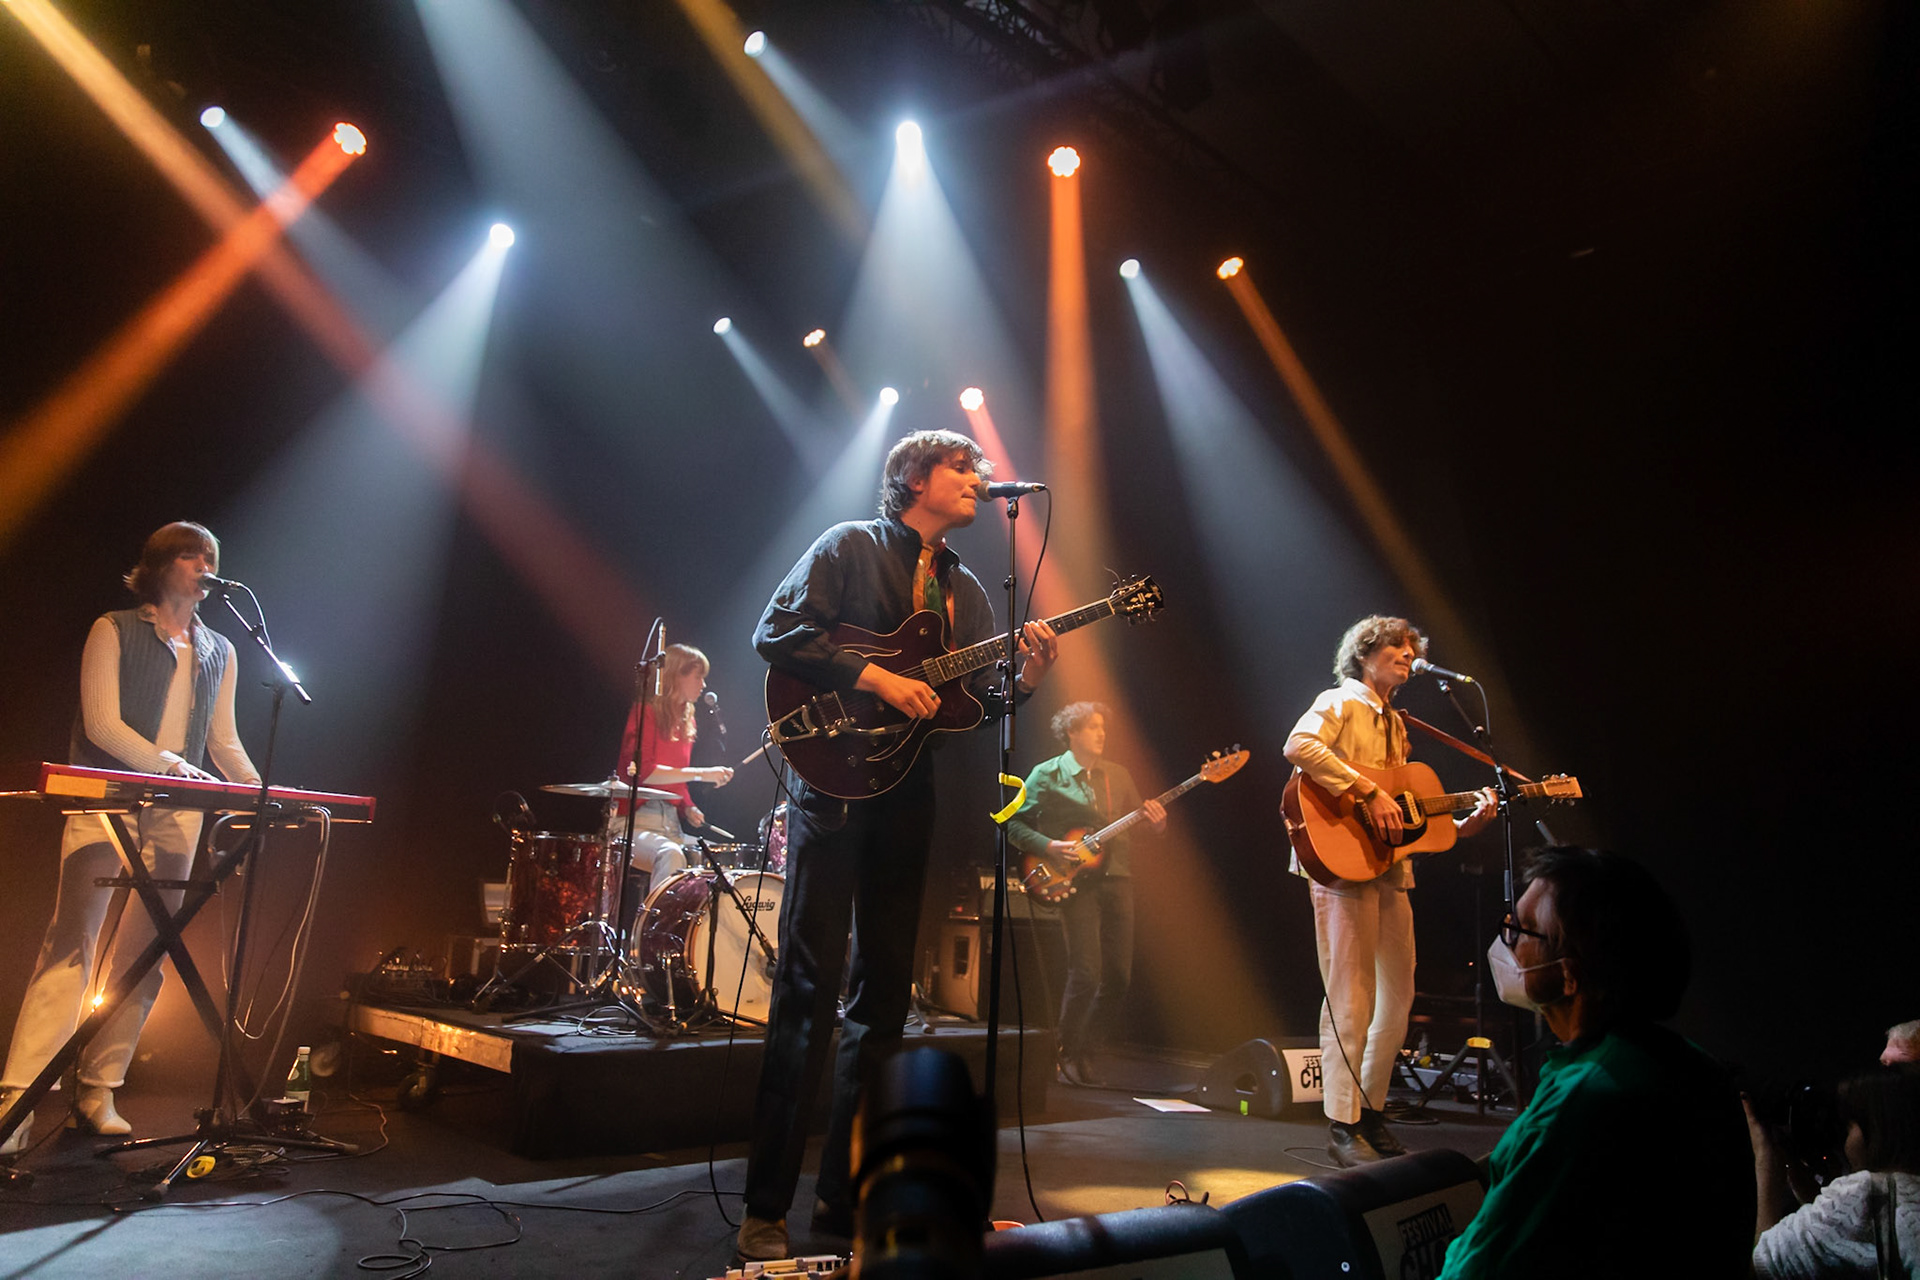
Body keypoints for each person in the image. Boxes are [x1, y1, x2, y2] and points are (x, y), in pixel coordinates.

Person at [736, 429, 1059, 1261]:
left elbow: (967, 708)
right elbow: (776, 633)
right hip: (831, 790)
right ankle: (766, 1205)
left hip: (907, 798)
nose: (981, 479)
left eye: (981, 468)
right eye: (964, 467)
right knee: (806, 991)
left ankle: (841, 1209)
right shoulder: (847, 546)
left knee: (883, 1007)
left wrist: (1021, 682)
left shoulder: (969, 592)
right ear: (915, 477)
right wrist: (874, 676)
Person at [2, 522, 260, 1156]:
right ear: (159, 564)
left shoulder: (221, 650)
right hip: (105, 799)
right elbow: (102, 724)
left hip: (181, 810)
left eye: (210, 557)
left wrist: (260, 791)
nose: (203, 564)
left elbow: (222, 741)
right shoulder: (112, 629)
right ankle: (19, 1098)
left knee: (150, 949)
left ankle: (98, 1090)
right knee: (73, 943)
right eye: (189, 553)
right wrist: (170, 764)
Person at [1435, 847, 1754, 1278]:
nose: (1508, 944)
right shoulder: (1698, 1068)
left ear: (1569, 974)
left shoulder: (1585, 1098)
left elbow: (1480, 1269)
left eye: (1523, 931)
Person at [1282, 616, 1496, 1167]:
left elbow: (1404, 813)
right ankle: (1341, 1122)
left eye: (1411, 650)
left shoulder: (1398, 723)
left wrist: (1463, 824)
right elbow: (1299, 745)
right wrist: (1365, 789)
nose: (1406, 656)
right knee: (1349, 998)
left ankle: (1371, 1112)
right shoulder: (1339, 701)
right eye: (1397, 648)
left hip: (1388, 868)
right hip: (1339, 864)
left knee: (1397, 999)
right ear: (1365, 653)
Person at [1006, 702, 1164, 1087]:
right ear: (1072, 733)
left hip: (1117, 878)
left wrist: (1156, 825)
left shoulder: (1118, 775)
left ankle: (1084, 1049)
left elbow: (1131, 825)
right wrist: (1049, 845)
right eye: (1093, 727)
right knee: (1086, 972)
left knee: (1118, 977)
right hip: (1072, 882)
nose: (1101, 733)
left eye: (1103, 727)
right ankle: (1066, 1051)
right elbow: (1011, 823)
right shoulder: (1047, 774)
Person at [1751, 1065, 1920, 1278]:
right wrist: (1808, 1190)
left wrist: (1764, 1163)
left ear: (1877, 1129)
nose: (1845, 1140)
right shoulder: (1905, 1190)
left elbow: (1762, 1265)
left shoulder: (1869, 1190)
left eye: (1849, 1126)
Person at [609, 642, 732, 893]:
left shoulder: (687, 720)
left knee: (720, 862)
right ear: (677, 675)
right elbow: (647, 773)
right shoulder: (645, 712)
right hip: (633, 823)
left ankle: (691, 931)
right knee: (670, 854)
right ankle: (655, 931)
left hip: (671, 824)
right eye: (698, 677)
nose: (703, 684)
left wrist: (688, 806)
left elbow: (675, 777)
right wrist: (703, 774)